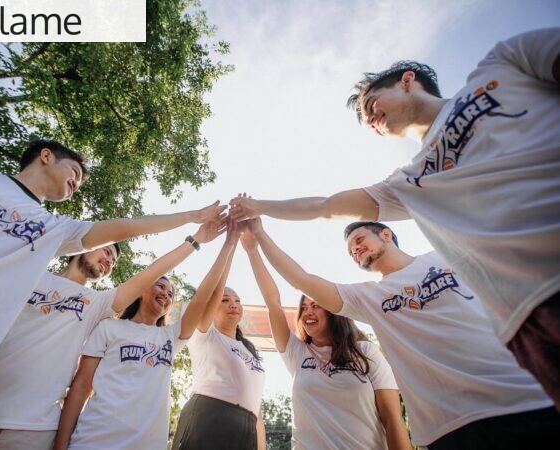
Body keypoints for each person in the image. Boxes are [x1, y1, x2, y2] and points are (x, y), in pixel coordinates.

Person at [228, 28, 560, 406]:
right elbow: (325, 207)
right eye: (365, 120)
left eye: (371, 104)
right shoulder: (407, 183)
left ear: (407, 82)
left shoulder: (502, 62)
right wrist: (259, 207)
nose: (370, 120)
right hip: (531, 316)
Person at [0, 139, 226, 449]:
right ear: (45, 156)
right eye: (74, 171)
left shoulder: (80, 276)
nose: (107, 257)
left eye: (113, 259)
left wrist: (193, 229)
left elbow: (142, 263)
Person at [248, 218, 559, 449]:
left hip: (520, 400)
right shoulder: (370, 298)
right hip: (446, 428)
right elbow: (299, 280)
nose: (355, 250)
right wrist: (258, 239)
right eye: (350, 250)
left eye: (358, 239)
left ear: (386, 234)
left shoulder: (445, 257)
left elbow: (391, 416)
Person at [0, 216, 224, 449]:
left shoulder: (97, 305)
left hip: (33, 429)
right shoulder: (30, 274)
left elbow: (151, 274)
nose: (109, 260)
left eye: (113, 261)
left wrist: (196, 241)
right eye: (106, 250)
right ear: (84, 245)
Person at [52, 220, 237, 450]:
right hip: (93, 442)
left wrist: (229, 245)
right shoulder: (109, 327)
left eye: (170, 294)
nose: (165, 295)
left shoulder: (171, 337)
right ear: (142, 291)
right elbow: (81, 388)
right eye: (160, 287)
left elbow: (203, 297)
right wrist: (60, 445)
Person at [241, 225, 410, 450]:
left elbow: (392, 418)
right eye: (305, 307)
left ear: (333, 311)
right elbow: (273, 302)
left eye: (316, 305)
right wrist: (252, 250)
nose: (308, 312)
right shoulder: (296, 353)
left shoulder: (365, 352)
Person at [172, 222, 266, 450]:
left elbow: (256, 407)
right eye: (225, 300)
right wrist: (231, 242)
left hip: (246, 426)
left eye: (237, 301)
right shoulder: (205, 334)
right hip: (210, 417)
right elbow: (213, 290)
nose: (233, 304)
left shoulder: (248, 350)